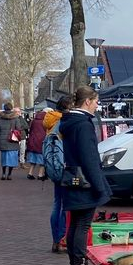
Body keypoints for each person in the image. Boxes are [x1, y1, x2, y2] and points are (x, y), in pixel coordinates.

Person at [61, 86, 111, 265]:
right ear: (88, 101)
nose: (97, 106)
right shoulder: (83, 124)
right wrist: (99, 186)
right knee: (82, 225)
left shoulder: (69, 122)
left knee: (75, 225)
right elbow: (89, 157)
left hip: (72, 177)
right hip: (85, 181)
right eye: (96, 101)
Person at [45, 97, 72, 253]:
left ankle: (56, 239)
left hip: (53, 168)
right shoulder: (63, 124)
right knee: (64, 205)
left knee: (57, 204)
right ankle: (62, 238)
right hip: (63, 168)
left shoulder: (50, 122)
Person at [0, 103, 26, 180]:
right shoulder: (15, 118)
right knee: (12, 158)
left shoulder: (0, 117)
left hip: (3, 139)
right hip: (12, 140)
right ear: (11, 108)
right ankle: (9, 174)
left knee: (4, 158)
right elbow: (18, 129)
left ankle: (3, 173)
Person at [25, 109, 49, 180]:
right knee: (42, 159)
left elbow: (31, 129)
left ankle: (30, 173)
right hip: (41, 140)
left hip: (33, 140)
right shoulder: (45, 120)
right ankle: (40, 174)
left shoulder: (34, 120)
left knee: (33, 159)